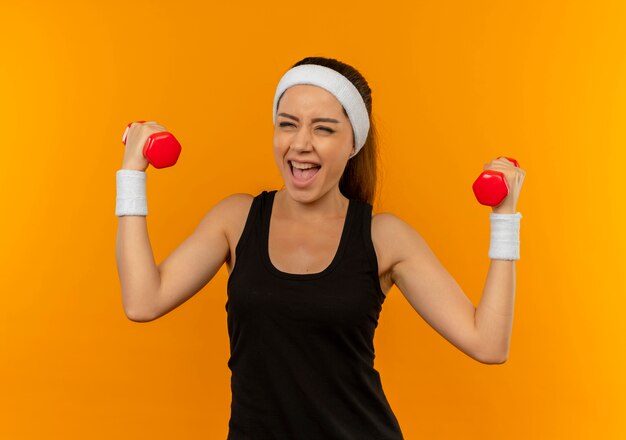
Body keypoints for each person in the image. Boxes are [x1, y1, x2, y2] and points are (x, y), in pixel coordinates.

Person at [115, 56, 525, 439]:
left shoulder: (384, 238)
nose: (300, 143)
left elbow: (487, 344)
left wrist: (504, 218)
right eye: (287, 124)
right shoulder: (235, 220)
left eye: (324, 128)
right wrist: (131, 175)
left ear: (353, 143)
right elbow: (143, 301)